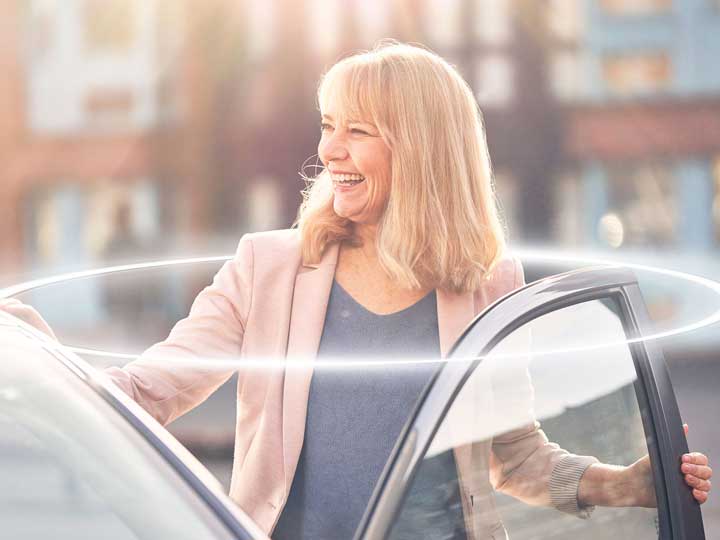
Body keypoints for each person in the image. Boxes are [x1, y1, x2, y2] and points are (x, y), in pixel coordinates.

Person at [1, 42, 711, 539]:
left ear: (423, 151)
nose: (330, 151)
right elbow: (152, 391)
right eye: (328, 126)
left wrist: (625, 484)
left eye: (358, 132)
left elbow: (512, 458)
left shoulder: (487, 283)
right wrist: (45, 372)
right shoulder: (268, 267)